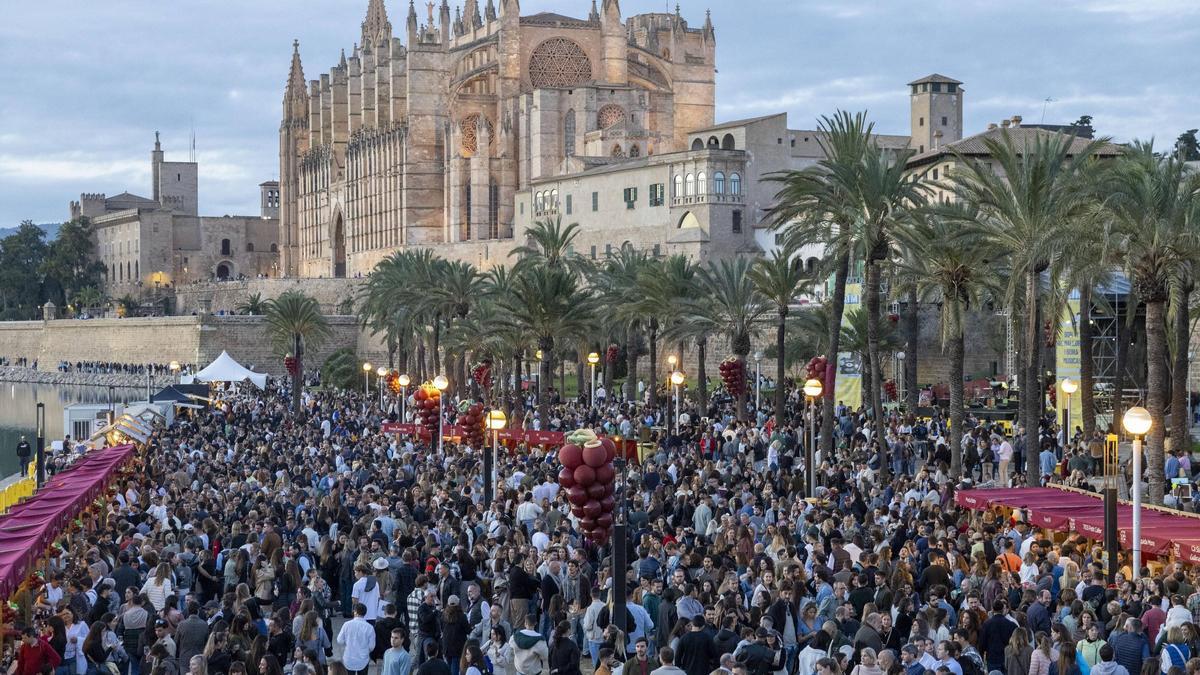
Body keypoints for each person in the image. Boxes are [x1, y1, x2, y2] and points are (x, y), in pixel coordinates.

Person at [336, 603, 376, 675]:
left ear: (355, 612)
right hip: (363, 659)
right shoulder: (370, 627)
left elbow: (340, 640)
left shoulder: (347, 624)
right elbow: (371, 646)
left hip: (349, 658)